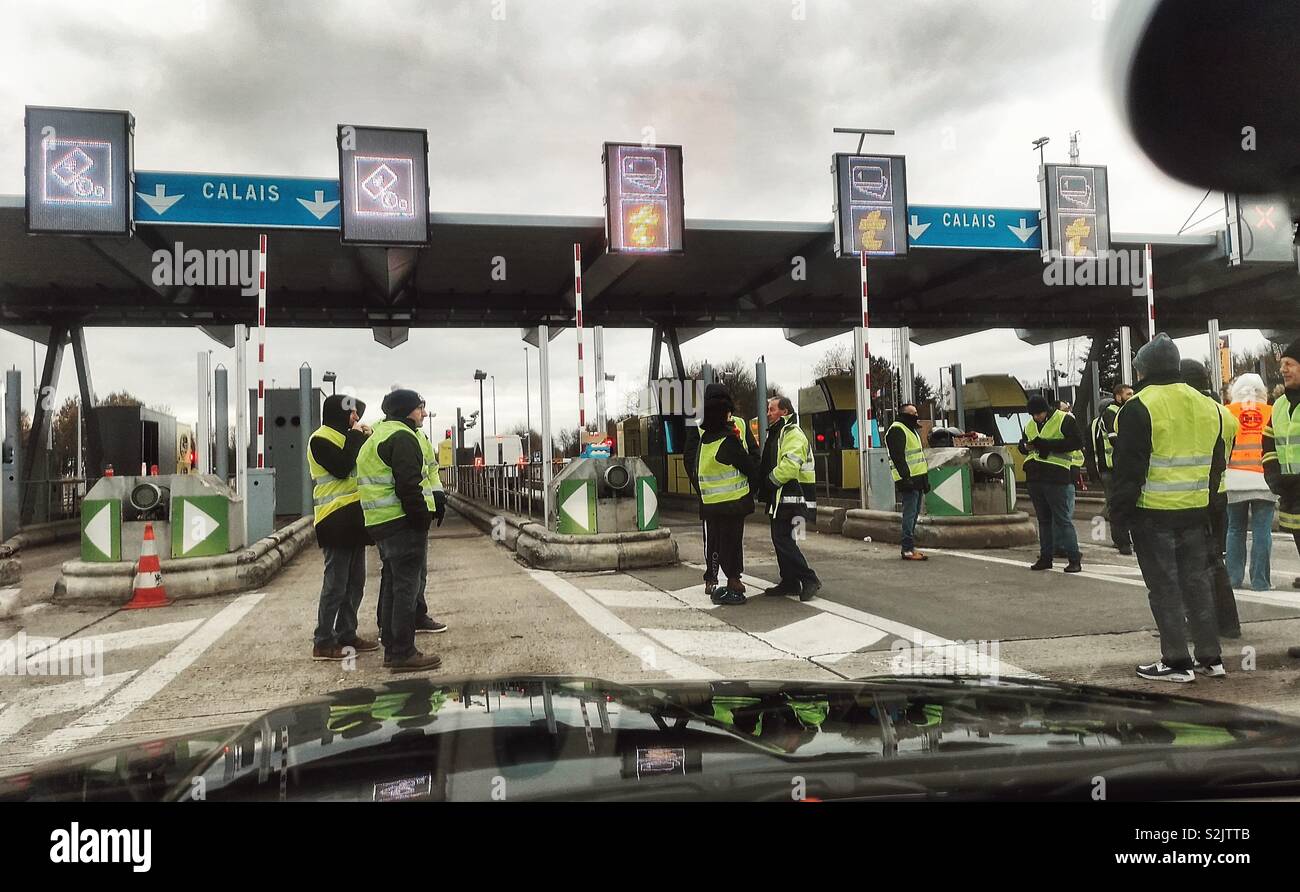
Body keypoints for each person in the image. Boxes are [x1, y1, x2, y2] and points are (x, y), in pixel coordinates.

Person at [1110, 334, 1226, 682]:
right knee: (1198, 586)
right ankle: (1211, 658)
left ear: (1143, 369)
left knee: (1165, 589)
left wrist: (1119, 519)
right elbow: (1216, 467)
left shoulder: (1139, 406)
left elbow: (1128, 471)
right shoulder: (1208, 405)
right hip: (1195, 514)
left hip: (1154, 515)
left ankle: (1177, 663)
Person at [356, 388, 443, 673]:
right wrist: (421, 519)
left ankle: (392, 643)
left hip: (379, 523)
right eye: (419, 408)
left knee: (393, 583)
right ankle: (403, 652)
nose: (423, 413)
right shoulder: (404, 438)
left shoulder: (375, 438)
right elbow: (409, 485)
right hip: (401, 522)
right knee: (407, 586)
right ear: (407, 410)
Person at [308, 394, 379, 661]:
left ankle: (347, 633)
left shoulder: (348, 436)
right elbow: (341, 467)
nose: (356, 418)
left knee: (355, 582)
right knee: (336, 584)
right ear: (339, 413)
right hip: (333, 518)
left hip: (353, 518)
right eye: (352, 413)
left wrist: (367, 438)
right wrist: (357, 438)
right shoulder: (320, 439)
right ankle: (323, 640)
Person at [1181, 358, 1241, 639]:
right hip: (1220, 493)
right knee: (1215, 559)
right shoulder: (1224, 414)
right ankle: (1229, 623)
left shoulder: (1191, 412)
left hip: (1195, 495)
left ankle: (1200, 626)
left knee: (1193, 563)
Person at [685, 385, 760, 597]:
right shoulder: (700, 427)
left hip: (730, 495)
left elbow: (753, 454)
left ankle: (732, 577)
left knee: (729, 540)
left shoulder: (740, 425)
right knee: (717, 540)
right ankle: (713, 577)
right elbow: (691, 459)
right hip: (719, 495)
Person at [757, 395, 821, 600]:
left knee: (784, 540)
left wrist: (768, 481)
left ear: (784, 411)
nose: (768, 413)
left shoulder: (792, 433)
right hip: (782, 498)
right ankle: (790, 581)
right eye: (768, 409)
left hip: (793, 499)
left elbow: (790, 466)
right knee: (781, 540)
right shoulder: (779, 433)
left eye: (772, 409)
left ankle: (809, 579)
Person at [1019, 394, 1084, 572]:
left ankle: (1074, 559)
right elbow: (1022, 445)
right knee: (1044, 520)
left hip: (1056, 476)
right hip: (1035, 477)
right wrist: (1025, 446)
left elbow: (1077, 442)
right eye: (1033, 414)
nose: (1036, 417)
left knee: (1063, 520)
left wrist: (1046, 444)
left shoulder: (1064, 419)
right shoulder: (1030, 424)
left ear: (1046, 410)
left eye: (1039, 413)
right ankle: (1045, 558)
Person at [1225, 373, 1277, 592]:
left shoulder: (1228, 411)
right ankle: (1260, 581)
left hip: (1234, 477)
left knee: (1235, 529)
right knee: (1262, 530)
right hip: (1264, 478)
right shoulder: (1271, 411)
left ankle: (1233, 579)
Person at [1263, 340, 1300, 595]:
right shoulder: (1278, 406)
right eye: (1282, 365)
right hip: (1291, 489)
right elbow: (1268, 444)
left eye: (1290, 364)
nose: (1284, 370)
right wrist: (1273, 476)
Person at [1092, 382, 1135, 554]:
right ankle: (1122, 541)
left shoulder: (1121, 412)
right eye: (1128, 394)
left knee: (1120, 505)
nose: (1132, 397)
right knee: (1117, 505)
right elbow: (1115, 439)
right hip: (1112, 468)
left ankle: (1124, 539)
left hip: (1117, 467)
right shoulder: (1112, 414)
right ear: (1118, 396)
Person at [885, 403, 930, 560]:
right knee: (909, 515)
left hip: (917, 479)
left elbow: (917, 457)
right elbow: (898, 458)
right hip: (908, 480)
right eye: (914, 413)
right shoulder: (897, 430)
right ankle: (907, 549)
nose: (916, 415)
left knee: (914, 514)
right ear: (905, 415)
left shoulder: (910, 429)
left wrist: (924, 480)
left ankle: (910, 547)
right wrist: (906, 478)